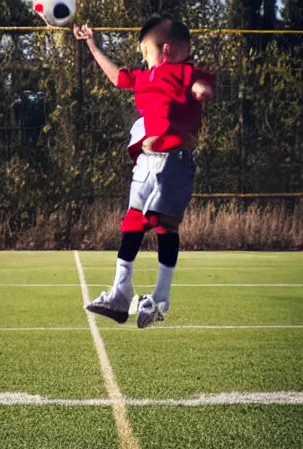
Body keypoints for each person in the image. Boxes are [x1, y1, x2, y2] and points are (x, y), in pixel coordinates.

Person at [73, 15, 215, 328]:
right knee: (133, 222)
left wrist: (200, 89)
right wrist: (92, 47)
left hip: (173, 163)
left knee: (163, 225)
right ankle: (122, 294)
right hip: (146, 163)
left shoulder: (182, 71)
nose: (142, 58)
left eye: (145, 51)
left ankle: (159, 300)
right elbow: (117, 78)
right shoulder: (147, 77)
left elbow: (199, 81)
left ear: (166, 50)